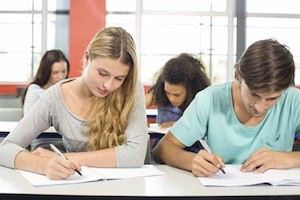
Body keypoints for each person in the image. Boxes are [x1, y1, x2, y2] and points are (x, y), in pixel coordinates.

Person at [0, 27, 148, 180]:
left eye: (119, 78)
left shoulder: (130, 88)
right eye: (102, 73)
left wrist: (68, 157)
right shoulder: (54, 97)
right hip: (77, 186)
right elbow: (5, 148)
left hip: (126, 188)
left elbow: (135, 155)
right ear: (87, 57)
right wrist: (42, 165)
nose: (108, 85)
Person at [152, 38, 300, 177]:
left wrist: (290, 158)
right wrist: (191, 161)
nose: (260, 107)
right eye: (254, 94)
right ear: (240, 76)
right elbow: (161, 150)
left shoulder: (294, 100)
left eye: (272, 98)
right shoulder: (209, 99)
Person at [146, 53, 211, 128]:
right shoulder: (157, 93)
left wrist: (180, 126)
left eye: (177, 95)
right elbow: (138, 107)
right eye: (167, 93)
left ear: (189, 90)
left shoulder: (202, 100)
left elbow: (207, 125)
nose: (171, 99)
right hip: (160, 138)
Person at [22, 49, 70, 115]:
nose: (61, 77)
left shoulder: (68, 89)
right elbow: (28, 119)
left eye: (64, 71)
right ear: (46, 72)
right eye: (55, 72)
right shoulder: (35, 90)